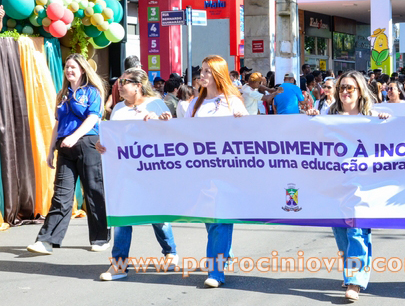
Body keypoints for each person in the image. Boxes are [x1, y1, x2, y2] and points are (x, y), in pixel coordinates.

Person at [160, 55, 247, 288]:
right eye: (202, 70)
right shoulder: (195, 104)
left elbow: (249, 136)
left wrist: (242, 121)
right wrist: (168, 123)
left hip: (227, 170)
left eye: (208, 71)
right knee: (210, 218)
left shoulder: (232, 102)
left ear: (218, 74)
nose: (203, 74)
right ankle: (223, 254)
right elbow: (185, 133)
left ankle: (215, 271)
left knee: (219, 218)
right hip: (201, 171)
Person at [307, 71, 390, 302]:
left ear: (360, 91)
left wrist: (385, 122)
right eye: (341, 87)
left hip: (363, 186)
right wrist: (312, 118)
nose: (345, 92)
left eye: (350, 88)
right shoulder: (329, 115)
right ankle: (350, 269)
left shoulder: (371, 117)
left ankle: (355, 280)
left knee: (357, 230)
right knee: (341, 231)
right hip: (336, 184)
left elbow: (391, 138)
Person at [96, 68, 178, 280]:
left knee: (157, 215)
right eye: (119, 82)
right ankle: (119, 264)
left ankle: (170, 253)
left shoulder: (156, 104)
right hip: (124, 171)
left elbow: (172, 134)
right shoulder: (118, 108)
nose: (119, 85)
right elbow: (113, 138)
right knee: (122, 216)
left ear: (138, 86)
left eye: (124, 82)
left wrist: (163, 121)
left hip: (152, 172)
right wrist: (102, 144)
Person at [27, 54, 110, 254]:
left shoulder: (92, 92)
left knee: (94, 192)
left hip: (88, 144)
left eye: (73, 67)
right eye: (67, 67)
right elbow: (57, 123)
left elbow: (93, 118)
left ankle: (100, 238)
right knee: (61, 195)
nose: (69, 70)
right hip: (65, 147)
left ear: (82, 69)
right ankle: (46, 241)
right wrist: (50, 150)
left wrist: (75, 136)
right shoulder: (62, 94)